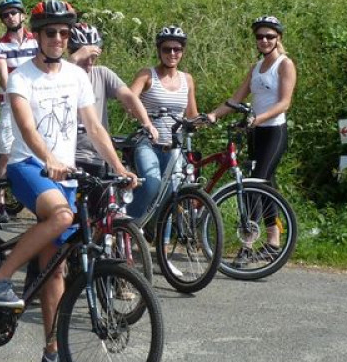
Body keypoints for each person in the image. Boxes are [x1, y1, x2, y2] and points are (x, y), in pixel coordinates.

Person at [0, 0, 137, 362]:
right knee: (62, 215)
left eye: (64, 33)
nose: (58, 39)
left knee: (55, 270)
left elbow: (95, 128)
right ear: (36, 34)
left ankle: (52, 352)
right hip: (28, 166)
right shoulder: (21, 77)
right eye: (51, 32)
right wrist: (47, 158)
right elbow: (27, 128)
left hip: (63, 173)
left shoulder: (76, 76)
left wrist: (119, 166)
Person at [207, 15, 297, 259]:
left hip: (274, 131)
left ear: (278, 38)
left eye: (270, 36)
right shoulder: (256, 68)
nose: (264, 40)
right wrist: (214, 115)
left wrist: (257, 118)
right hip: (255, 131)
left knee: (254, 184)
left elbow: (284, 103)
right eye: (260, 36)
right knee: (266, 184)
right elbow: (235, 100)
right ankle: (273, 242)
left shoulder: (285, 64)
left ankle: (247, 245)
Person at [125, 26, 201, 220]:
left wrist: (208, 120)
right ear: (159, 50)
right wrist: (142, 118)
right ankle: (126, 226)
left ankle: (161, 242)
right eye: (167, 49)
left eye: (177, 49)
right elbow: (128, 99)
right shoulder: (147, 75)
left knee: (171, 193)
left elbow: (192, 114)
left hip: (174, 146)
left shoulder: (187, 79)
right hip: (148, 143)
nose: (172, 53)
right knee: (152, 183)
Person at [67, 23, 158, 173]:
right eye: (85, 57)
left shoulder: (102, 73)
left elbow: (128, 96)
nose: (89, 62)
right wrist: (75, 58)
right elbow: (59, 74)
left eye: (94, 57)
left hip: (99, 155)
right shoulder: (62, 74)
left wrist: (146, 122)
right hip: (70, 157)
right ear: (72, 52)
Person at [0, 0, 38, 221]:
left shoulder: (37, 41)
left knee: (38, 149)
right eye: (5, 14)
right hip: (11, 103)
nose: (10, 17)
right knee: (6, 153)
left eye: (13, 13)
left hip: (36, 102)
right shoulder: (0, 45)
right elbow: (3, 78)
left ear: (22, 14)